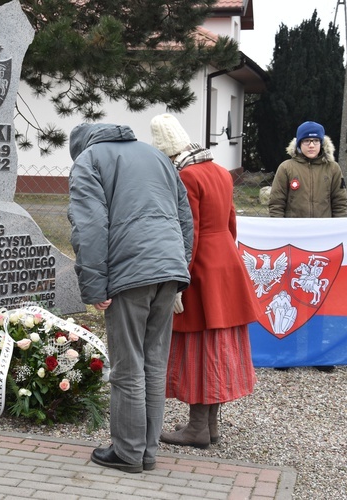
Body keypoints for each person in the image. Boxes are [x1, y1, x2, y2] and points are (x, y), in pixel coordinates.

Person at [67, 122, 193, 473]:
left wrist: (95, 285)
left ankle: (127, 452)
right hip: (168, 271)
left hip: (129, 273)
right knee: (153, 362)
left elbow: (89, 225)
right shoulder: (156, 156)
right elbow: (185, 218)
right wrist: (178, 265)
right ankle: (146, 452)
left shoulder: (88, 160)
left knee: (127, 366)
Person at [149, 114, 258, 449]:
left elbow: (188, 232)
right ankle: (208, 425)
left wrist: (179, 279)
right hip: (226, 260)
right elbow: (231, 222)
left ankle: (197, 428)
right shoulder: (220, 171)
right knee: (219, 344)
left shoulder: (186, 176)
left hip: (200, 269)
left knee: (200, 348)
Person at [268, 120, 347, 372]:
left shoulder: (332, 169)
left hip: (322, 245)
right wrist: (280, 234)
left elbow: (340, 203)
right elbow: (277, 203)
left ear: (322, 144)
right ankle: (286, 352)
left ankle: (317, 354)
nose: (311, 145)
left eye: (315, 141)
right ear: (299, 144)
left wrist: (337, 231)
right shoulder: (287, 168)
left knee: (318, 298)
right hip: (293, 244)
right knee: (291, 296)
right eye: (306, 141)